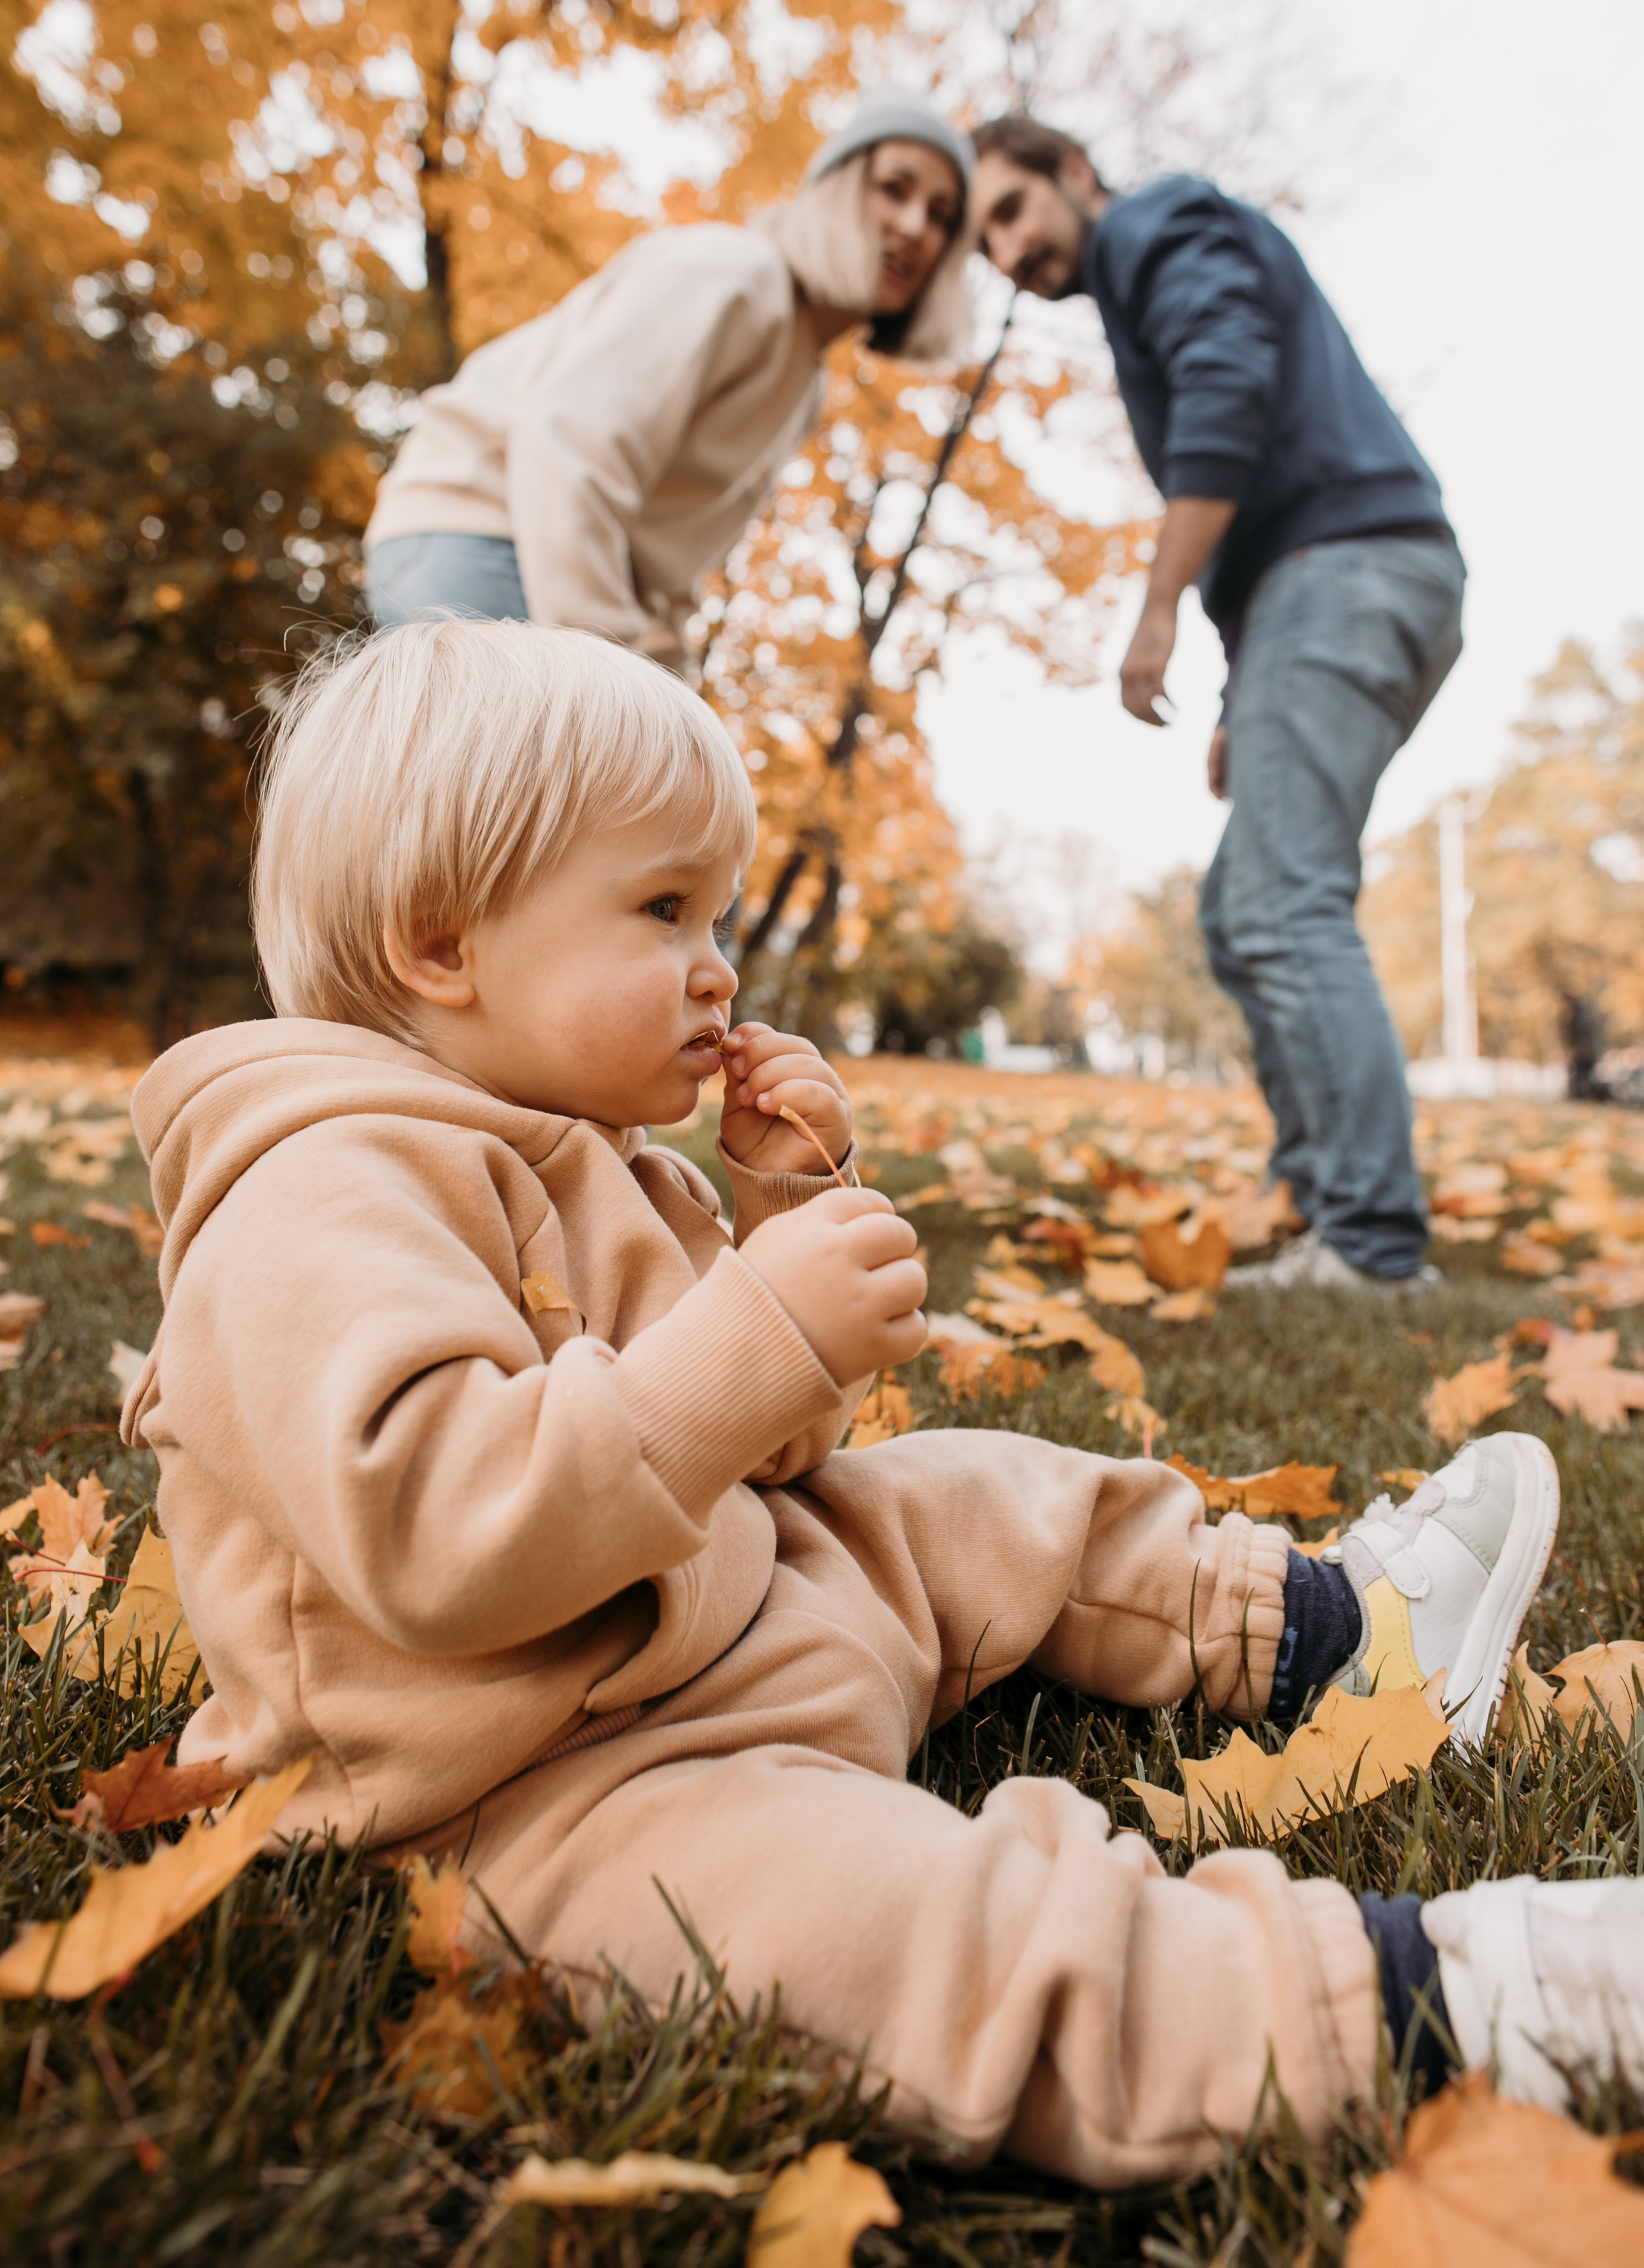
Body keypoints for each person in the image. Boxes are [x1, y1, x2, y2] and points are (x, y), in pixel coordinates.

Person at [118, 617, 1642, 2188]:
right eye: (660, 910)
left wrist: (768, 1224)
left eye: (711, 912)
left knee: (974, 1496)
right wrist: (755, 1327)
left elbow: (764, 1449)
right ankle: (1422, 1997)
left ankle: (1340, 1631)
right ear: (441, 944)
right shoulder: (314, 1193)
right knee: (885, 1930)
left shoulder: (580, 1146)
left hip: (716, 1615)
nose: (717, 964)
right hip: (529, 1789)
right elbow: (443, 1531)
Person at [971, 118, 1467, 1290]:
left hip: (1351, 570)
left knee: (1287, 901)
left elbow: (1229, 385)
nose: (1005, 251)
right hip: (1326, 587)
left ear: (1075, 174)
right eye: (987, 237)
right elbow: (1256, 487)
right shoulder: (1135, 261)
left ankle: (1375, 1246)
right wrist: (1244, 693)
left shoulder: (1154, 222)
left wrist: (1155, 611)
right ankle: (1319, 1196)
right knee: (1240, 905)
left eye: (1011, 211)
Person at [361, 88, 975, 672]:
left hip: (543, 560)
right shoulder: (737, 276)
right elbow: (567, 447)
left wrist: (677, 698)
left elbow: (671, 574)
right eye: (894, 189)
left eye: (942, 216)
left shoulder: (804, 385)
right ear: (837, 190)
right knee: (565, 779)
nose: (916, 226)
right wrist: (616, 680)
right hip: (482, 530)